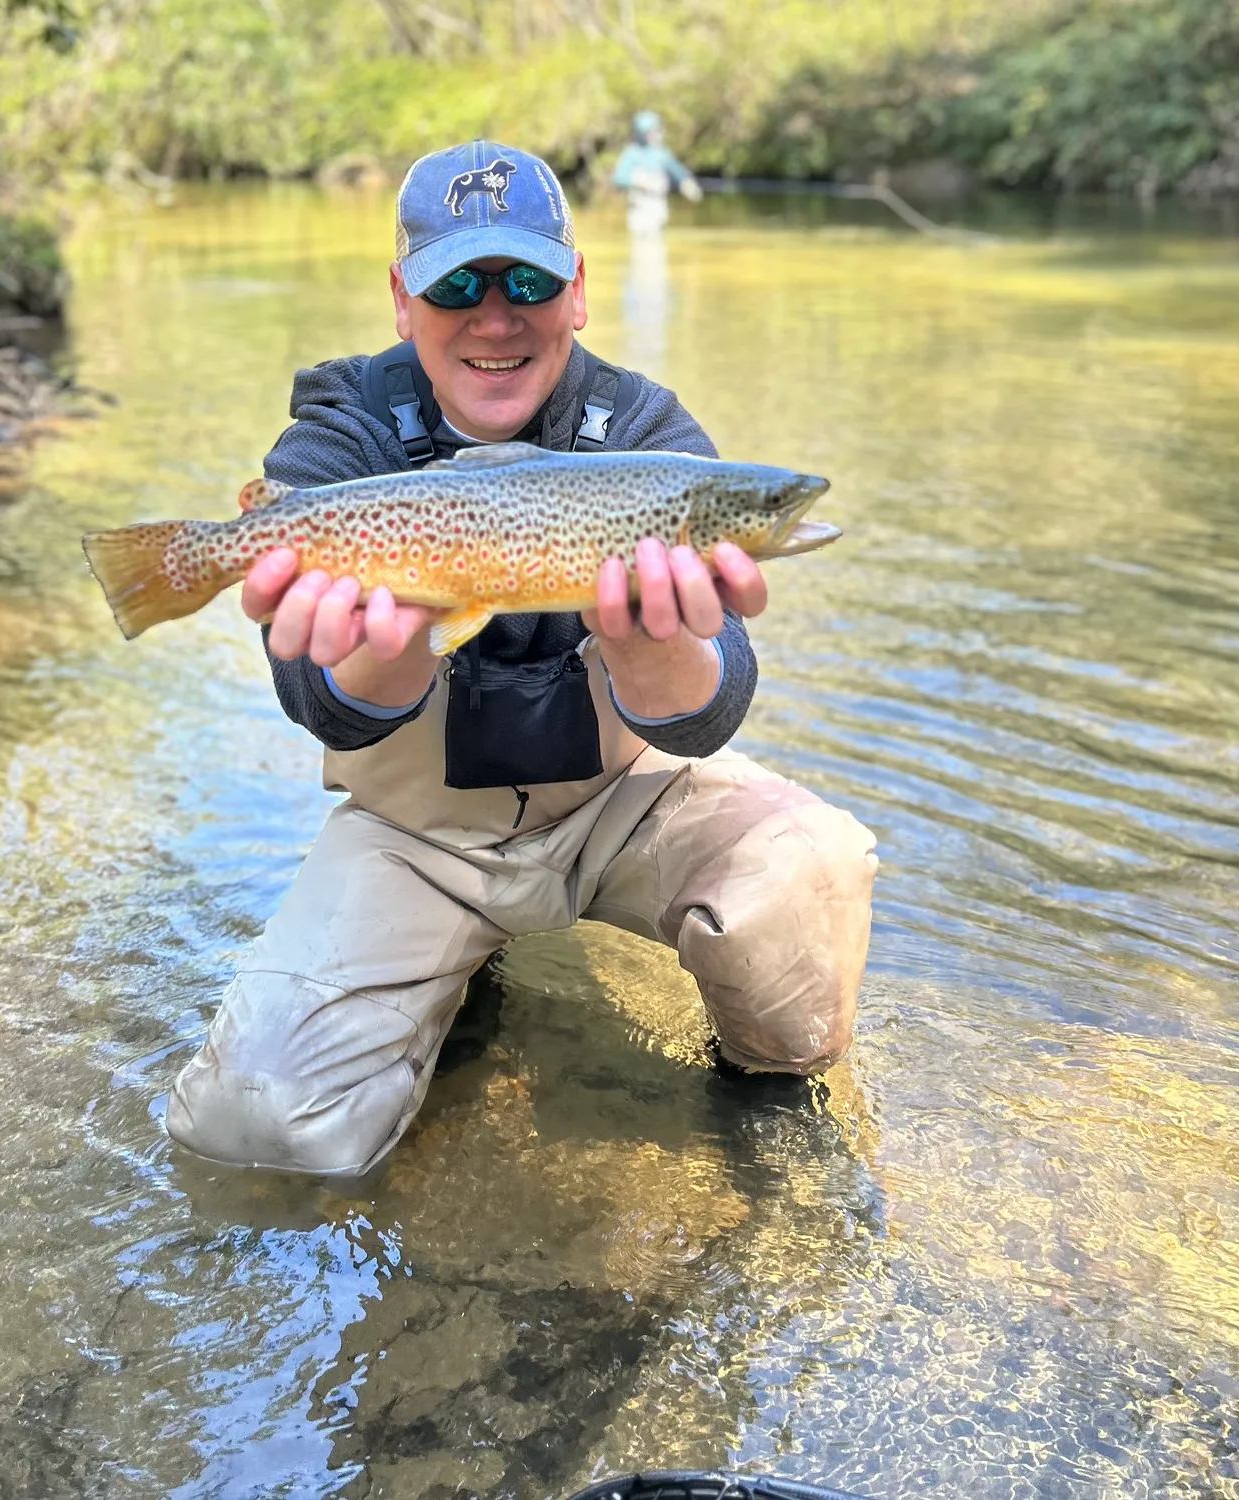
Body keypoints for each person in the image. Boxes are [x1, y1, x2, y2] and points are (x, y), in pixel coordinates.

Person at [165, 140, 879, 1176]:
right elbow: (319, 705)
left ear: (578, 293)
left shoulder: (648, 437)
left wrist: (658, 652)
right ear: (402, 303)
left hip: (620, 807)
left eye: (528, 281)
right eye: (457, 283)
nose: (494, 316)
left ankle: (759, 1145)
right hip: (418, 838)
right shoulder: (341, 437)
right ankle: (446, 988)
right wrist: (386, 643)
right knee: (250, 1129)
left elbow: (714, 708)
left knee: (813, 877)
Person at [612, 110, 703, 236]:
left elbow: (677, 171)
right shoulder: (631, 154)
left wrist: (687, 184)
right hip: (639, 209)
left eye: (657, 131)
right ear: (642, 133)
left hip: (658, 207)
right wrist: (639, 182)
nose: (656, 135)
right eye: (652, 132)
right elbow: (618, 179)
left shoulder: (662, 154)